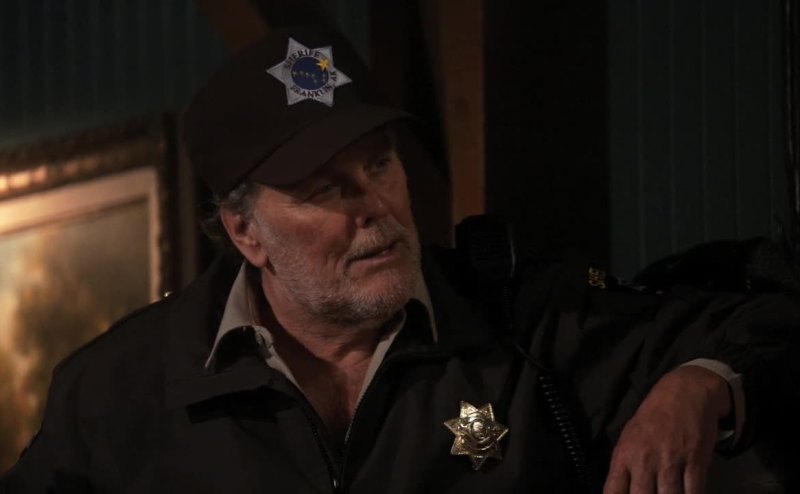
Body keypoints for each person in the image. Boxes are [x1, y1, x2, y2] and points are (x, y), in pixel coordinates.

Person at [2, 25, 799, 493]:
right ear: (246, 232)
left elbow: (776, 322)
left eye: (379, 164)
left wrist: (705, 383)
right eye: (325, 189)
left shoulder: (523, 324)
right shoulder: (121, 390)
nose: (375, 207)